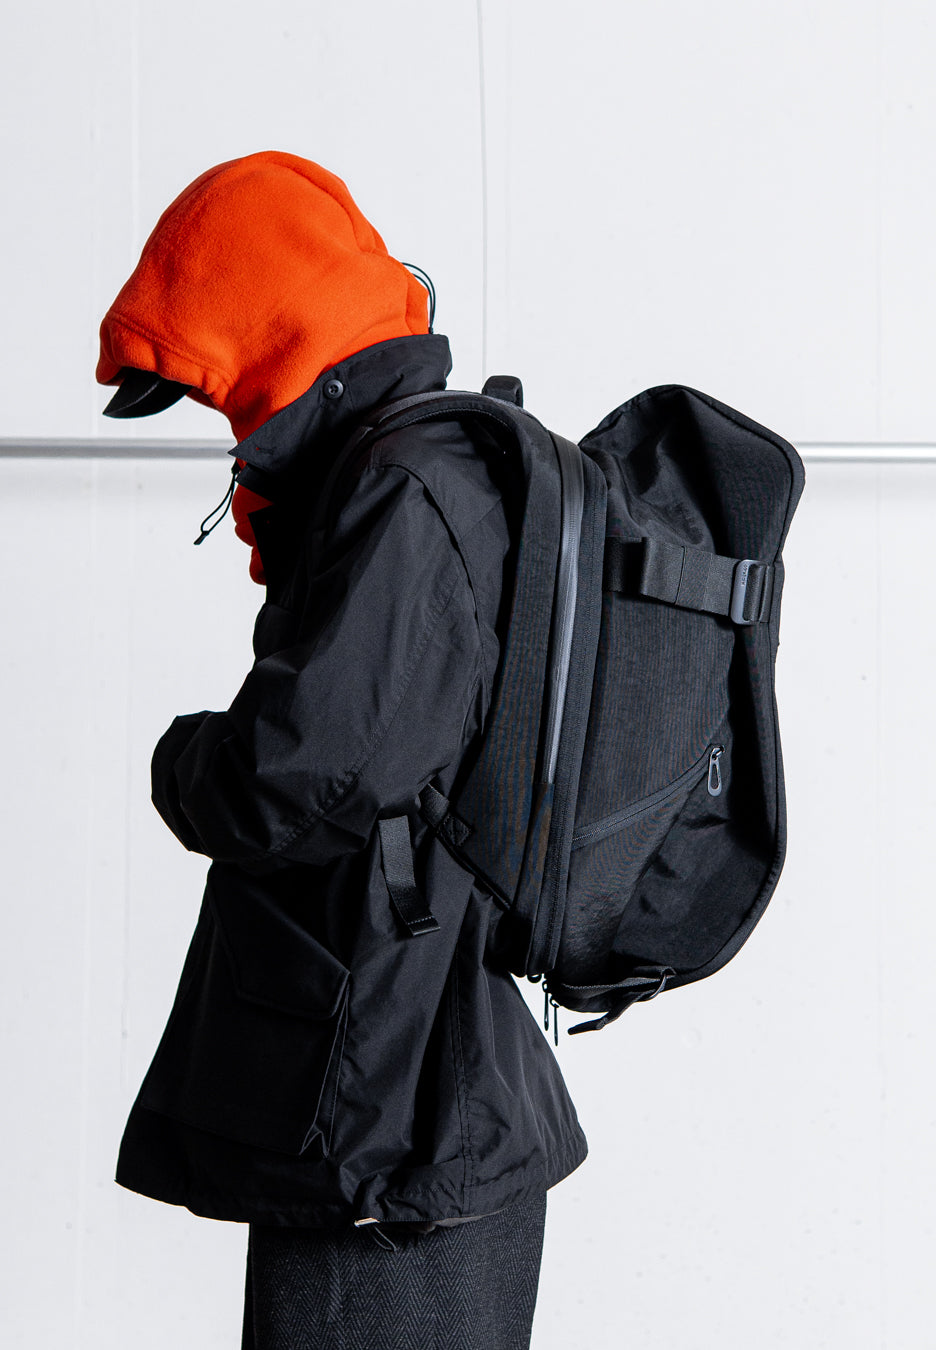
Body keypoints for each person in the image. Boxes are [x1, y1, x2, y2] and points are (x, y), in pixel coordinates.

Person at [96, 149, 588, 1349]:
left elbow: (301, 775)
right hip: (407, 1085)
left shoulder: (407, 489)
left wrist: (180, 760)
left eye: (218, 387)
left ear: (274, 338)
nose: (224, 422)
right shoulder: (423, 471)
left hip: (387, 1112)